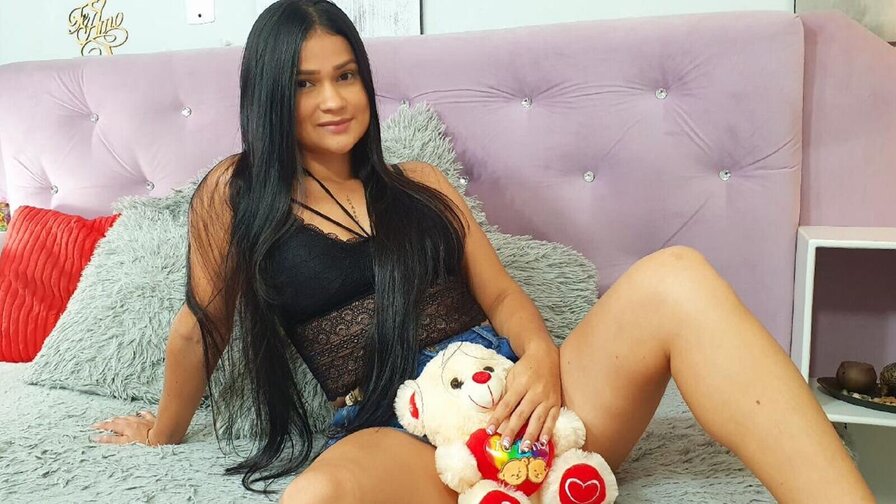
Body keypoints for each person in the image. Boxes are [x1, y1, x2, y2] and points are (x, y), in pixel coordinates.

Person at [88, 1, 876, 502]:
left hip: (522, 407)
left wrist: (540, 360)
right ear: (268, 93)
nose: (332, 100)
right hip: (399, 432)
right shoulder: (234, 193)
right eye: (303, 84)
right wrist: (165, 428)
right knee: (315, 498)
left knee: (678, 276)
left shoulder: (421, 184)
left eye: (346, 76)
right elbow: (201, 328)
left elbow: (501, 297)